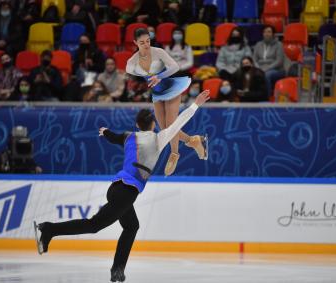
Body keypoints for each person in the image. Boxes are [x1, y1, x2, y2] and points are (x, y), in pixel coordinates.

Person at [34, 90, 211, 283]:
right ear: (153, 124)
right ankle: (49, 229)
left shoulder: (129, 136)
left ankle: (117, 270)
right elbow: (179, 123)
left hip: (117, 188)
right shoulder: (159, 138)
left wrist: (105, 132)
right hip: (126, 192)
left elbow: (113, 136)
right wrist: (196, 103)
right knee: (94, 225)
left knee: (131, 226)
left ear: (137, 125)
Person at [126, 28, 207, 176]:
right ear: (135, 43)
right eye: (142, 42)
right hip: (157, 93)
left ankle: (174, 154)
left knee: (171, 124)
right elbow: (129, 73)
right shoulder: (132, 62)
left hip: (171, 86)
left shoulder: (158, 52)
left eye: (148, 41)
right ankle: (193, 140)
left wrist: (160, 76)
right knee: (164, 130)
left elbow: (175, 66)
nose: (146, 45)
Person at [252, 25, 285, 96]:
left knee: (267, 75)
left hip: (277, 69)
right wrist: (258, 68)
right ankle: (254, 96)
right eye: (264, 32)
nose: (266, 34)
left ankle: (268, 96)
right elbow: (254, 59)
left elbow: (279, 61)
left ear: (273, 34)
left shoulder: (279, 45)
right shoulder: (258, 44)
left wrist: (266, 68)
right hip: (260, 68)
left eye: (269, 32)